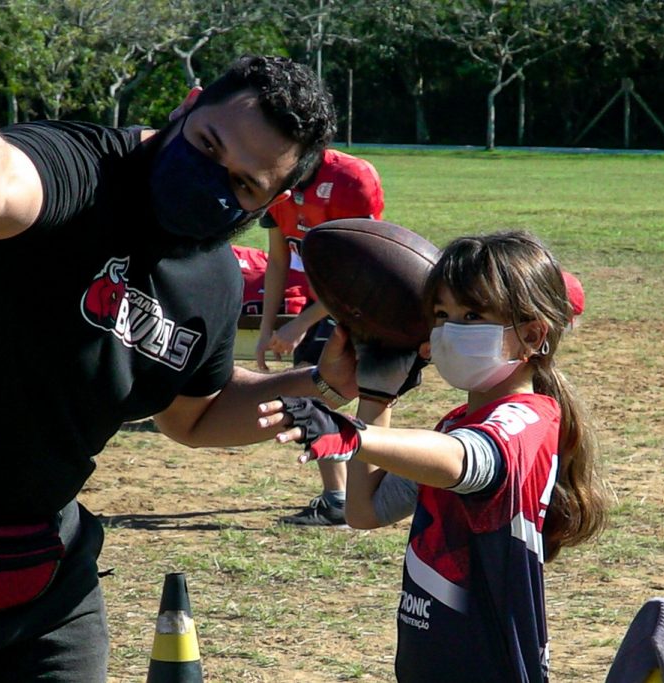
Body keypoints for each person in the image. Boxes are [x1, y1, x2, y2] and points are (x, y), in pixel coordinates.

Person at [0, 55, 353, 682]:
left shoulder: (211, 282)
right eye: (208, 145)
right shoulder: (80, 167)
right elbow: (1, 185)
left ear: (274, 200)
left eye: (245, 184)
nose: (213, 178)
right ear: (186, 105)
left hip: (38, 545)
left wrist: (322, 382)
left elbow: (197, 415)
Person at [258, 230, 608, 682]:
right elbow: (364, 510)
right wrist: (376, 396)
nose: (450, 329)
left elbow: (467, 461)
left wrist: (353, 437)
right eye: (441, 315)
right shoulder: (453, 423)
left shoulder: (529, 420)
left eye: (472, 314)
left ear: (532, 334)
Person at [255, 148, 385, 527]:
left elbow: (362, 265)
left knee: (343, 393)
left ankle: (348, 498)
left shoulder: (350, 179)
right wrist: (268, 329)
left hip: (364, 299)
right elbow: (278, 259)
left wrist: (301, 324)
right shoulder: (270, 173)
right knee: (314, 390)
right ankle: (340, 498)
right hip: (325, 299)